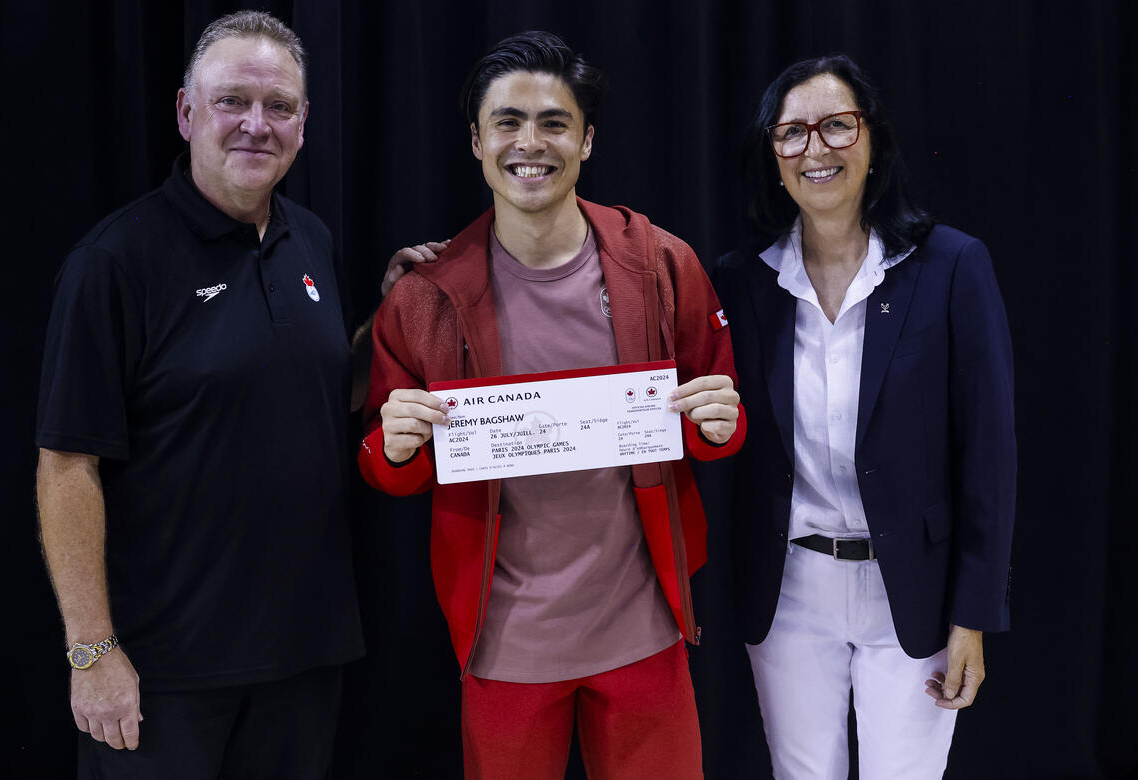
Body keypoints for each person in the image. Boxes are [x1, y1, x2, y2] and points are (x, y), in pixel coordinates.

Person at [360, 31, 744, 780]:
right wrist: (396, 447)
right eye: (506, 121)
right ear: (475, 141)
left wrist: (720, 429)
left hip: (645, 632)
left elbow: (716, 418)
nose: (529, 143)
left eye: (553, 122)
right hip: (505, 645)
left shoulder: (662, 263)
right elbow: (388, 468)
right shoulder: (424, 297)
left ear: (587, 140)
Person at [34, 11, 383, 777]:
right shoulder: (116, 262)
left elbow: (322, 394)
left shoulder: (313, 240)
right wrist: (93, 652)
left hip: (303, 659)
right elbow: (66, 465)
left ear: (303, 123)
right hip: (165, 677)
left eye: (279, 107)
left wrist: (392, 321)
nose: (256, 125)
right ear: (187, 112)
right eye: (232, 101)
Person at [711, 54, 1016, 778]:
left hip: (910, 586)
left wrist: (972, 614)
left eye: (837, 127)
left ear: (872, 141)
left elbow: (990, 456)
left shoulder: (950, 267)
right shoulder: (740, 280)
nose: (814, 149)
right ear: (772, 153)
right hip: (789, 589)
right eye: (792, 133)